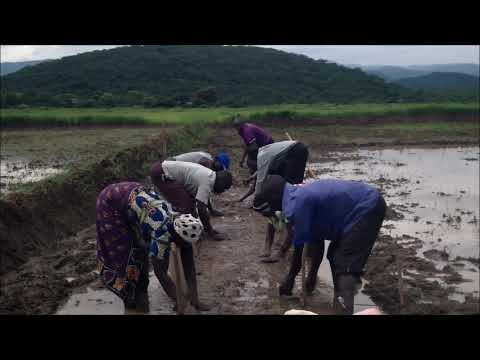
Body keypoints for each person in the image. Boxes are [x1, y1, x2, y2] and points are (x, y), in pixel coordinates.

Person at [253, 175, 387, 315]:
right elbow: (316, 241)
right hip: (357, 206)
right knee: (334, 256)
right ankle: (340, 302)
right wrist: (311, 277)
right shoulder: (296, 192)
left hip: (366, 207)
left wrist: (290, 279)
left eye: (271, 207)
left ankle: (346, 308)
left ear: (275, 199)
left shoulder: (297, 205)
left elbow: (299, 250)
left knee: (345, 265)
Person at [95, 182, 210, 312]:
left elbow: (189, 264)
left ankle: (140, 289)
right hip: (110, 203)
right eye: (184, 243)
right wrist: (180, 302)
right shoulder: (161, 232)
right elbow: (160, 272)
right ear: (176, 236)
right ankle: (127, 294)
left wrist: (195, 300)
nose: (185, 246)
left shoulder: (181, 223)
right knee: (125, 253)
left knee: (142, 250)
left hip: (134, 198)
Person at [237, 140, 309, 262]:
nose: (250, 170)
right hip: (288, 156)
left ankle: (282, 250)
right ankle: (268, 246)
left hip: (297, 152)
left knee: (287, 208)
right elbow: (260, 175)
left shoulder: (263, 158)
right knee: (275, 208)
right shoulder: (266, 158)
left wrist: (258, 198)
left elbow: (260, 183)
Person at [150, 160, 232, 241]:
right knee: (185, 205)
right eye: (224, 188)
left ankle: (192, 229)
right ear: (221, 182)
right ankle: (178, 234)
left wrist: (211, 212)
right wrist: (211, 232)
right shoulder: (208, 181)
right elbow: (201, 208)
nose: (222, 191)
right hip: (161, 173)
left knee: (190, 203)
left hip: (163, 169)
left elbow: (204, 199)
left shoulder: (210, 175)